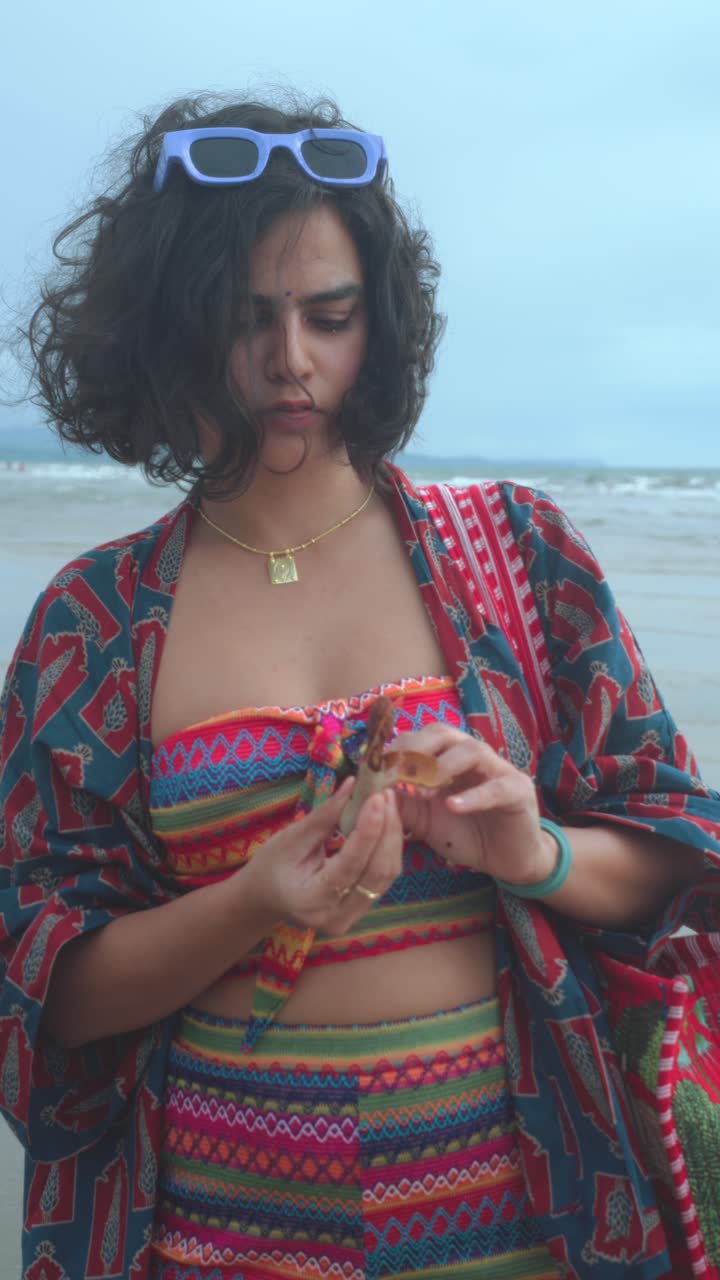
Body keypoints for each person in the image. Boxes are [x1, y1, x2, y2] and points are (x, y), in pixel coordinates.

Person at [0, 92, 719, 1280]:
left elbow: (674, 847)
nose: (293, 360)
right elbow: (44, 986)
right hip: (210, 1236)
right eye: (246, 321)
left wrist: (530, 850)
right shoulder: (96, 621)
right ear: (165, 332)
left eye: (328, 315)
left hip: (531, 1223)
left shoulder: (517, 554)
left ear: (375, 323)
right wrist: (251, 900)